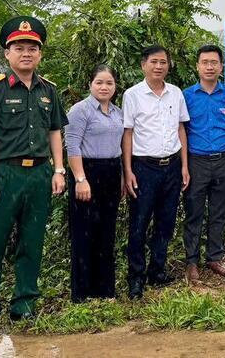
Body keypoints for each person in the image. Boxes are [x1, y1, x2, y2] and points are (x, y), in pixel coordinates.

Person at [0, 16, 68, 336]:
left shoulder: (48, 90)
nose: (26, 53)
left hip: (39, 173)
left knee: (32, 242)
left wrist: (58, 169)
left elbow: (55, 131)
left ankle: (24, 302)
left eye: (32, 48)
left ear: (40, 53)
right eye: (19, 47)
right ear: (7, 53)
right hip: (3, 173)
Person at [123, 45, 190, 297]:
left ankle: (157, 271)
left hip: (172, 166)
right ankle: (136, 277)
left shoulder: (175, 93)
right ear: (144, 65)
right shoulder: (132, 95)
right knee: (139, 223)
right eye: (154, 62)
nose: (159, 66)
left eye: (163, 62)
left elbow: (181, 129)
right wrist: (128, 170)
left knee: (166, 222)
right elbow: (127, 133)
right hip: (144, 167)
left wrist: (184, 165)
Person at [182, 44, 225, 282]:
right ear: (197, 66)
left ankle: (214, 258)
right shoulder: (187, 96)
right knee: (194, 212)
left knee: (219, 212)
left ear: (221, 67)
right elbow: (181, 131)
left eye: (214, 63)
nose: (209, 67)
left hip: (223, 160)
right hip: (196, 161)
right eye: (205, 62)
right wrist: (184, 165)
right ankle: (191, 262)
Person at [64, 65, 125, 301]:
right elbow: (72, 146)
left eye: (109, 83)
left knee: (106, 232)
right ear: (91, 84)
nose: (104, 87)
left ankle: (104, 289)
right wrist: (80, 179)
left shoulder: (118, 112)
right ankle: (82, 292)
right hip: (86, 172)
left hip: (111, 172)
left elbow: (119, 147)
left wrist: (120, 176)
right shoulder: (80, 111)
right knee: (84, 233)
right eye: (99, 82)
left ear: (115, 86)